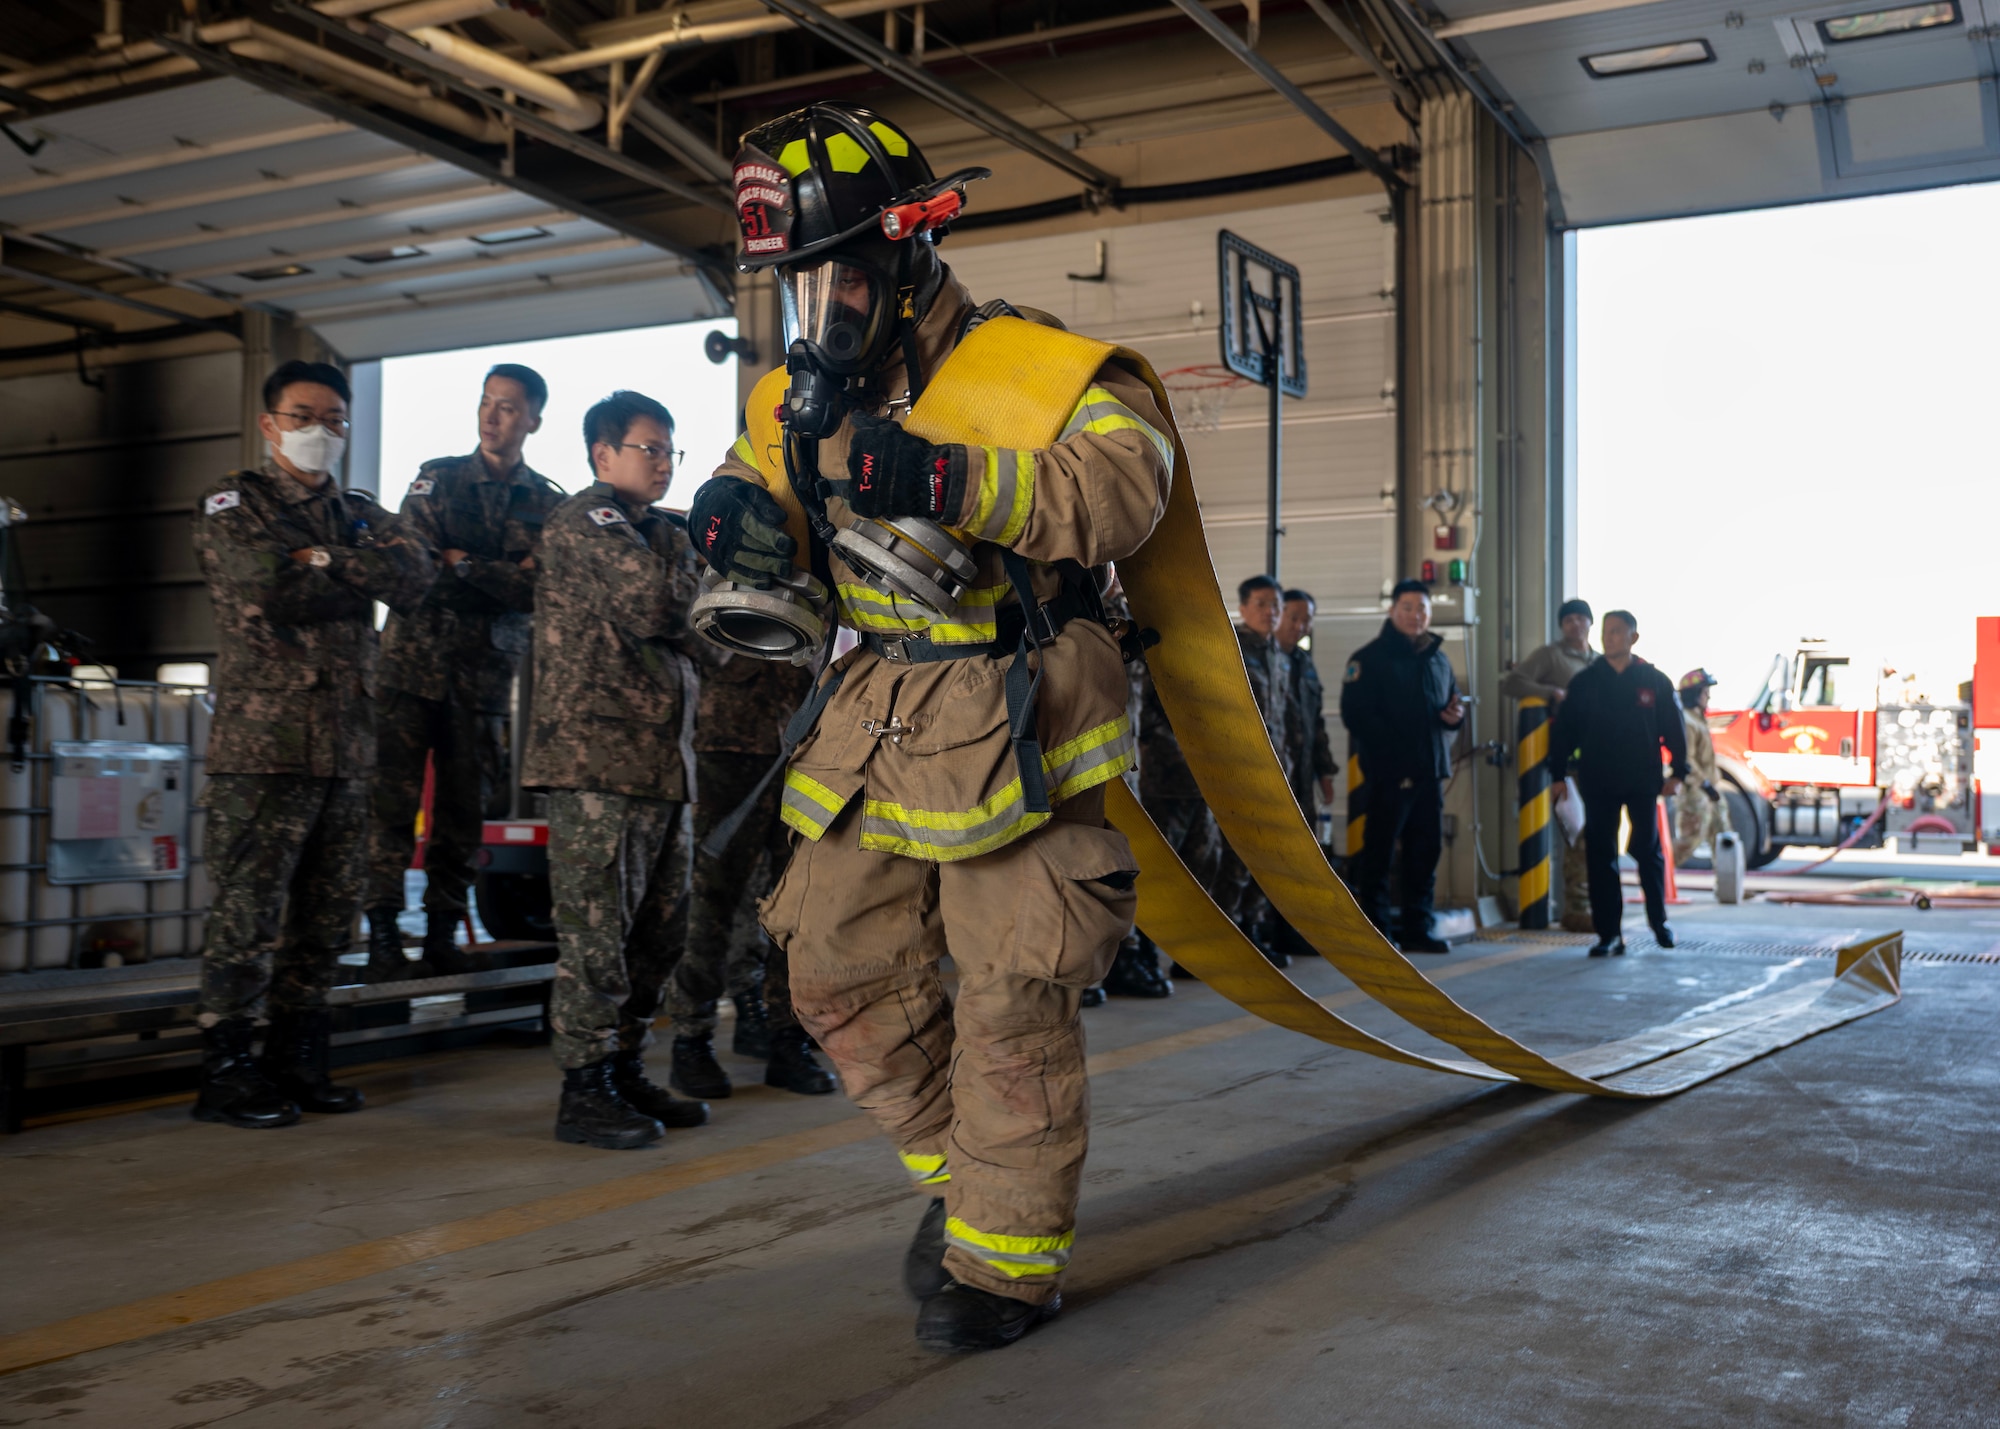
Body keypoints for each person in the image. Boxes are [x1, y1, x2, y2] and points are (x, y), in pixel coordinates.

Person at [686, 103, 1168, 1353]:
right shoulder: (802, 391)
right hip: (878, 706)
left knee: (1014, 992)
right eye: (804, 281)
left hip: (1018, 703)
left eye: (847, 271)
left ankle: (1004, 1267)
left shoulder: (1033, 365)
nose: (826, 304)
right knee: (830, 970)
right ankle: (972, 1183)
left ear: (910, 252)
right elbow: (762, 482)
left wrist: (951, 481)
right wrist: (729, 511)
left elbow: (1127, 486)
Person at [189, 360, 433, 1129]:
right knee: (248, 913)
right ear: (269, 423)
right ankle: (226, 1070)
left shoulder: (358, 510)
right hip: (265, 749)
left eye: (332, 418)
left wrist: (324, 557)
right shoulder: (236, 502)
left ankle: (297, 1061)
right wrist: (360, 575)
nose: (318, 431)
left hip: (348, 749)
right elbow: (267, 588)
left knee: (326, 918)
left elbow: (418, 575)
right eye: (302, 415)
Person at [521, 391, 710, 1149]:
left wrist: (696, 598)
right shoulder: (582, 521)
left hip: (666, 764)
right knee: (596, 935)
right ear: (603, 455)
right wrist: (701, 593)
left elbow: (718, 639)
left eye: (669, 451)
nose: (662, 462)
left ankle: (626, 1065)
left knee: (659, 935)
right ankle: (584, 1085)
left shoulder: (665, 532)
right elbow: (652, 605)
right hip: (596, 764)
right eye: (648, 448)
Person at [364, 364, 565, 980]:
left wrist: (466, 566)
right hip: (410, 669)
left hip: (483, 682)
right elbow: (416, 561)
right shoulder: (438, 478)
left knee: (463, 814)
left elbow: (542, 587)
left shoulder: (549, 502)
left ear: (532, 418)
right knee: (390, 807)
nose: (492, 415)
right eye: (486, 403)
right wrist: (498, 571)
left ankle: (444, 933)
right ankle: (381, 935)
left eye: (507, 407)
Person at [664, 653, 838, 1097]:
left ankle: (788, 1039)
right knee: (709, 904)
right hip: (724, 744)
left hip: (801, 744)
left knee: (796, 906)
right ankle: (692, 1041)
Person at [1549, 610, 1688, 957]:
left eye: (1616, 632)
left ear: (1633, 638)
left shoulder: (1654, 680)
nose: (1609, 637)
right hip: (1598, 780)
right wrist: (1557, 775)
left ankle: (1659, 923)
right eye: (1606, 632)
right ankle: (1609, 934)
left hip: (1643, 780)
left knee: (1647, 850)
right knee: (1601, 856)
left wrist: (1679, 774)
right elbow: (1563, 731)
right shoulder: (1586, 682)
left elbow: (1674, 729)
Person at [1338, 578, 1463, 954]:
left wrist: (1454, 718)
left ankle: (1416, 928)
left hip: (1430, 773)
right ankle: (1375, 930)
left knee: (1424, 853)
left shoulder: (1438, 658)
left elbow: (1449, 710)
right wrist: (1395, 753)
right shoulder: (1369, 658)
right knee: (1379, 853)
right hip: (1390, 774)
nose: (1415, 615)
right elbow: (1355, 715)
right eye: (1407, 608)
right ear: (1392, 611)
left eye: (1422, 609)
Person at [1500, 598, 1599, 932]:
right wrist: (1549, 692)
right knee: (1576, 835)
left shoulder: (1599, 661)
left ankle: (1597, 904)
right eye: (1568, 619)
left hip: (1598, 758)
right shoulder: (1550, 656)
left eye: (1580, 619)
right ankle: (1576, 908)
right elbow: (1511, 683)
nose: (1574, 624)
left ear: (1590, 623)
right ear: (1561, 625)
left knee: (1599, 834)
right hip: (1565, 760)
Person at [1215, 574, 1293, 963]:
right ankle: (1227, 937)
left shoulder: (1277, 654)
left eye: (1275, 605)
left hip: (1273, 776)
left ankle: (1252, 930)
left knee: (1265, 859)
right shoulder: (1231, 649)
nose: (1270, 612)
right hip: (1239, 773)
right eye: (1261, 604)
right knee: (1233, 860)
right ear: (1243, 608)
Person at [1278, 589, 1339, 825]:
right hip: (1267, 777)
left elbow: (1315, 722)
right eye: (1293, 618)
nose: (1300, 626)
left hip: (1302, 780)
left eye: (1306, 620)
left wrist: (1324, 772)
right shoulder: (1254, 660)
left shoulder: (1305, 664)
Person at [1672, 668, 1732, 867]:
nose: (1708, 696)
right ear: (1694, 694)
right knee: (1690, 839)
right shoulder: (1688, 722)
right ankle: (1661, 874)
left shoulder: (1698, 719)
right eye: (1704, 692)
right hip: (1695, 792)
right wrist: (1704, 783)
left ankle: (1729, 885)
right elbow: (1687, 760)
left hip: (1709, 789)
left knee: (1724, 837)